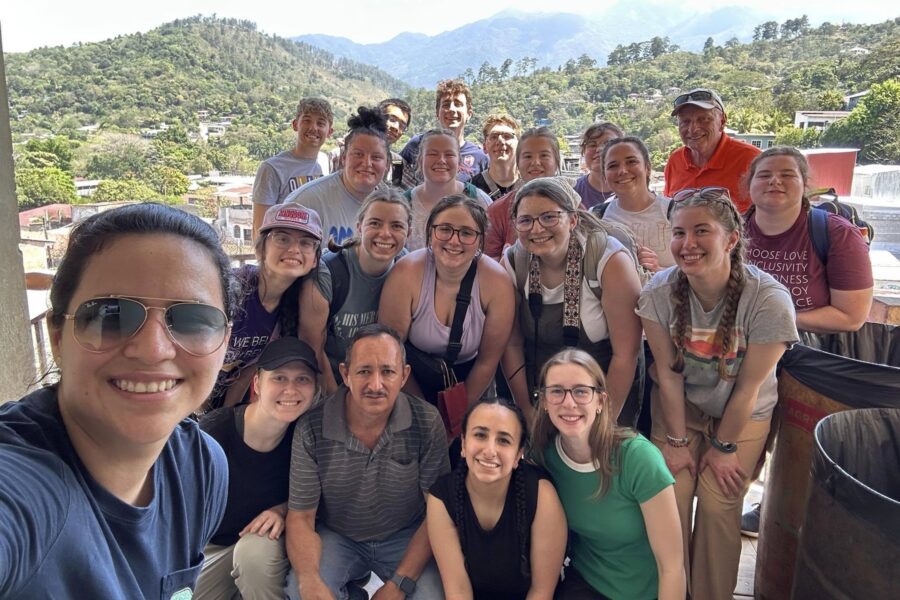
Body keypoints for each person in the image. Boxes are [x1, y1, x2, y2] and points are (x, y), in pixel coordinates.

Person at [0, 203, 233, 597]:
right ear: (58, 337)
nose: (153, 350)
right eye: (111, 315)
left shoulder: (201, 467)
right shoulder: (22, 484)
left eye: (192, 319)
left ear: (224, 343)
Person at [636, 187, 798, 600]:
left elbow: (749, 386)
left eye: (701, 231)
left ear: (730, 239)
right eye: (678, 233)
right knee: (668, 501)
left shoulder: (768, 300)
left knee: (717, 506)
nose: (687, 244)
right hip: (680, 409)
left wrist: (724, 447)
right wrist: (674, 442)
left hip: (742, 412)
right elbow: (669, 377)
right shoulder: (657, 293)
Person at [740, 146, 874, 536]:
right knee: (744, 436)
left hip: (806, 359)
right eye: (764, 175)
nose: (775, 182)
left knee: (796, 444)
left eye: (787, 174)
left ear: (804, 184)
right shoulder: (733, 229)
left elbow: (852, 315)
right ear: (749, 184)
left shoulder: (834, 233)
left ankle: (785, 517)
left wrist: (774, 323)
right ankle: (732, 505)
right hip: (740, 352)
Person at [286, 324, 449, 600]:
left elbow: (436, 513)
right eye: (364, 371)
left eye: (387, 371)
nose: (376, 385)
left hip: (405, 533)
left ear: (404, 375)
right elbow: (301, 517)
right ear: (345, 374)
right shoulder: (312, 427)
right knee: (302, 593)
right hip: (338, 535)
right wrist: (309, 579)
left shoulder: (426, 421)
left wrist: (398, 585)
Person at [532, 349, 684, 600]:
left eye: (581, 391)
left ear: (600, 401)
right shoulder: (544, 456)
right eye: (557, 391)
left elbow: (672, 567)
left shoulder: (638, 458)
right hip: (586, 583)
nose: (569, 403)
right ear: (545, 402)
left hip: (647, 592)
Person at [501, 177, 643, 426]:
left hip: (607, 387)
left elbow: (626, 354)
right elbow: (512, 345)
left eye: (549, 217)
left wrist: (603, 422)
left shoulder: (608, 260)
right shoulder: (515, 263)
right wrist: (525, 408)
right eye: (526, 220)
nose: (537, 229)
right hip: (543, 390)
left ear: (573, 219)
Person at [196, 337, 320, 600]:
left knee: (253, 555)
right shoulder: (216, 431)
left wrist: (284, 509)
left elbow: (325, 496)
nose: (291, 390)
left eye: (302, 379)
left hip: (263, 546)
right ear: (257, 384)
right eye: (279, 378)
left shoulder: (307, 434)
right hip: (212, 546)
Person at [379, 195, 516, 410]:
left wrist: (456, 417)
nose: (454, 240)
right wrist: (425, 413)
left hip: (470, 381)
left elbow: (487, 362)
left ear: (480, 241)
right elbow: (390, 352)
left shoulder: (497, 282)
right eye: (444, 229)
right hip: (409, 380)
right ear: (430, 233)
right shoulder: (406, 273)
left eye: (466, 233)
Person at [427, 397, 567, 600]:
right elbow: (458, 591)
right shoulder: (442, 498)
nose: (490, 450)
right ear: (464, 444)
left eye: (503, 440)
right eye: (480, 435)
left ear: (519, 454)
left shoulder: (540, 493)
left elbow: (541, 592)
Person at [209, 202, 322, 410]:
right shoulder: (231, 289)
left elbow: (248, 370)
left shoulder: (295, 307)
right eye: (282, 238)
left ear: (315, 259)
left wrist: (222, 417)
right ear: (261, 247)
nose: (294, 249)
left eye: (306, 243)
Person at [299, 187, 412, 394]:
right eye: (375, 223)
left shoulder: (407, 267)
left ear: (409, 233)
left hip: (380, 383)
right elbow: (311, 346)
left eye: (396, 226)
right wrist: (338, 402)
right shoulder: (328, 272)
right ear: (359, 227)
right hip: (330, 381)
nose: (385, 233)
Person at [284, 106, 390, 245]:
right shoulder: (305, 202)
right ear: (343, 158)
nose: (367, 163)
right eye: (358, 154)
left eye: (376, 157)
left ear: (387, 164)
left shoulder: (391, 207)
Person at [663, 88, 760, 213]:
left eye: (703, 119)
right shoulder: (675, 161)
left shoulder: (752, 160)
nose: (693, 129)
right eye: (685, 121)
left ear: (722, 121)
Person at [253, 98, 333, 238]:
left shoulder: (325, 162)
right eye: (307, 120)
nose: (313, 127)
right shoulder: (272, 168)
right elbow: (259, 227)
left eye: (320, 123)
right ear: (295, 125)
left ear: (330, 131)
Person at [594, 136, 675, 272]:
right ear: (604, 177)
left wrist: (658, 270)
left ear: (648, 168)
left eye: (631, 162)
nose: (622, 171)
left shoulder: (676, 212)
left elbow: (699, 271)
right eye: (613, 166)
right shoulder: (596, 217)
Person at [404, 129, 492, 251]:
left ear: (459, 161)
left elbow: (491, 251)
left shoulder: (479, 200)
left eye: (449, 154)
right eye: (433, 154)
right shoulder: (405, 203)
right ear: (420, 160)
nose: (441, 160)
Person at [485, 127, 563, 260]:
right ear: (518, 163)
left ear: (557, 162)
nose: (535, 162)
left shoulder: (573, 205)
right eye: (527, 156)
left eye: (544, 155)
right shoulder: (498, 211)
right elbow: (489, 263)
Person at [401, 79, 489, 185]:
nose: (452, 109)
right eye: (446, 105)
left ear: (469, 114)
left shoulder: (480, 158)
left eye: (458, 104)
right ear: (437, 113)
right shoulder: (417, 144)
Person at [574, 122, 624, 210]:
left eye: (608, 143)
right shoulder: (572, 192)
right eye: (592, 145)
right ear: (583, 152)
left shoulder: (632, 191)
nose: (599, 149)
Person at [471, 114, 521, 200]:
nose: (500, 141)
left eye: (507, 136)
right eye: (494, 137)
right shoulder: (472, 189)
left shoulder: (532, 184)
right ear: (484, 147)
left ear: (519, 145)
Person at [378, 98, 415, 188]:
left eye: (402, 125)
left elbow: (410, 191)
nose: (396, 127)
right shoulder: (343, 154)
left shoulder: (397, 162)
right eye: (392, 119)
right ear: (376, 117)